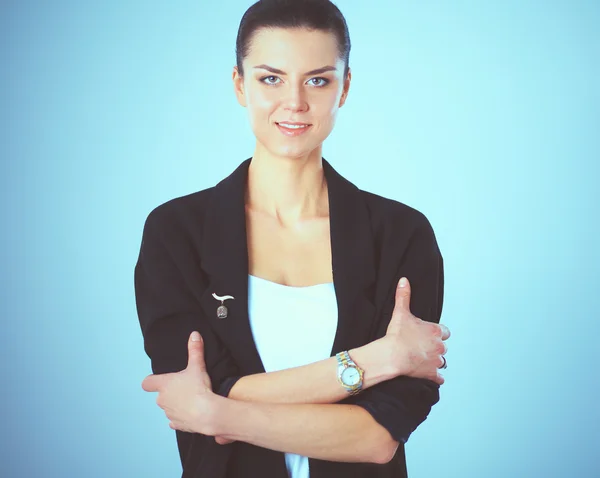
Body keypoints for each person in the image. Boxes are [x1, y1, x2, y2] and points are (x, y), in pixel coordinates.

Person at [134, 0, 451, 477]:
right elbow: (190, 389)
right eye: (271, 78)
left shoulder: (400, 235)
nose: (296, 102)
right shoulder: (177, 232)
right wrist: (375, 360)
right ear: (240, 85)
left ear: (344, 87)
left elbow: (377, 437)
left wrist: (220, 412)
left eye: (318, 79)